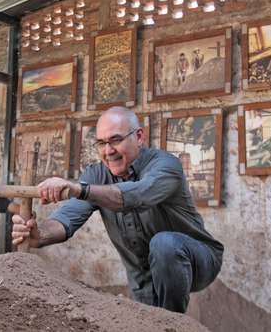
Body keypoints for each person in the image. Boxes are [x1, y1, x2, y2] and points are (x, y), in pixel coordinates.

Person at [12, 107, 224, 313]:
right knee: (145, 323)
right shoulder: (96, 175)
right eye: (101, 143)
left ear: (139, 136)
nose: (108, 151)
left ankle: (174, 323)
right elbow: (66, 219)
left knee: (164, 244)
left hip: (197, 261)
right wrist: (38, 234)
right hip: (142, 277)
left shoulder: (165, 165)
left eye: (115, 140)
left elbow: (136, 195)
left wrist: (78, 188)